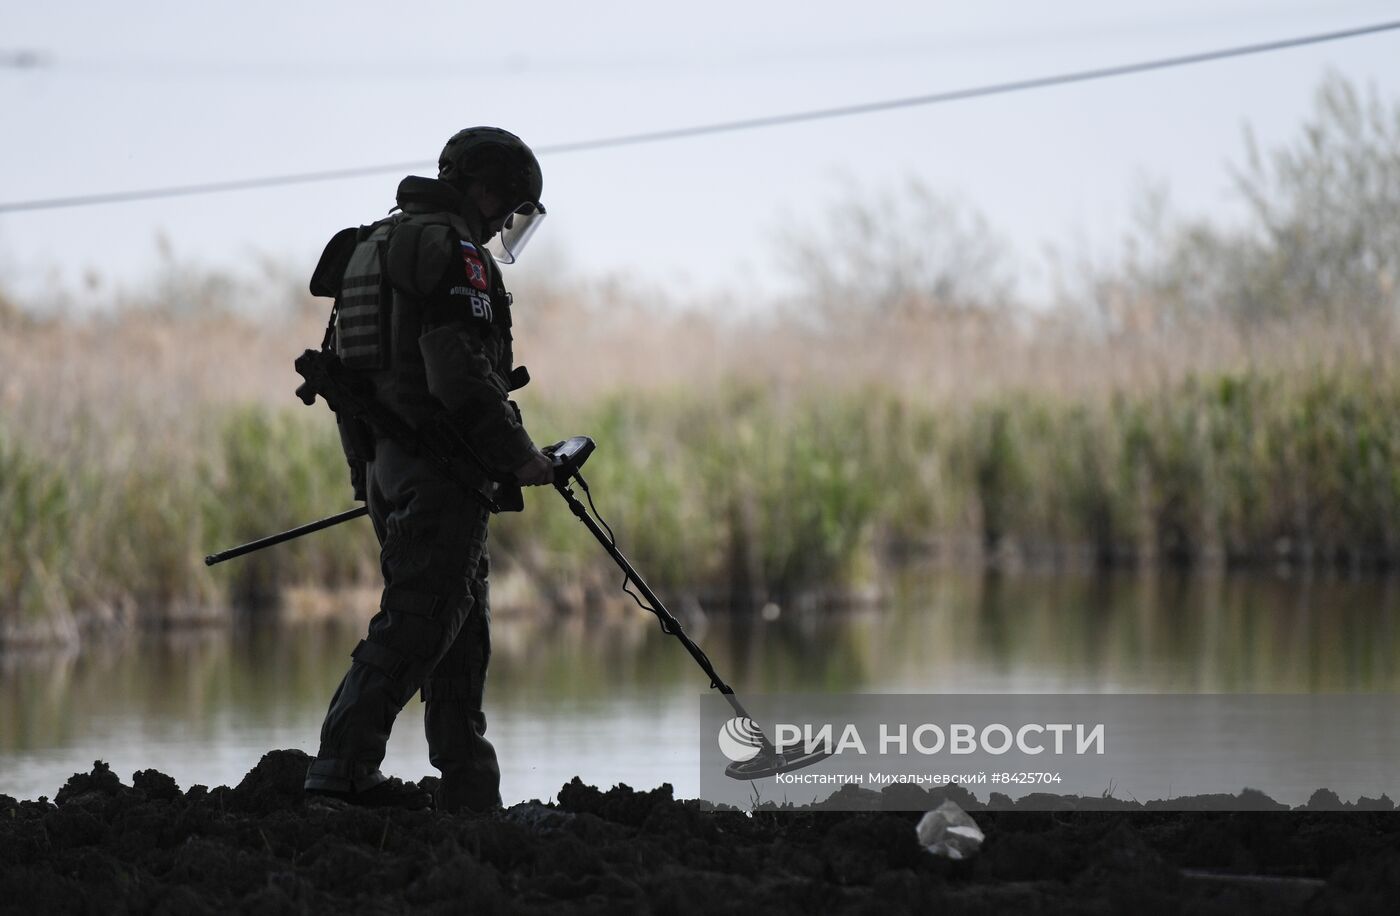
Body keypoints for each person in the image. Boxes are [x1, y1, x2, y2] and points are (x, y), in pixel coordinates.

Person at [302, 127, 554, 813]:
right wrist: (520, 457)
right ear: (484, 190)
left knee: (457, 627)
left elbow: (352, 381)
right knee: (418, 622)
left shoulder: (371, 246)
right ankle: (343, 768)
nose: (505, 223)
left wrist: (369, 479)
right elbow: (456, 372)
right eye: (508, 207)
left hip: (393, 468)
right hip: (438, 472)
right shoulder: (451, 250)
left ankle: (470, 789)